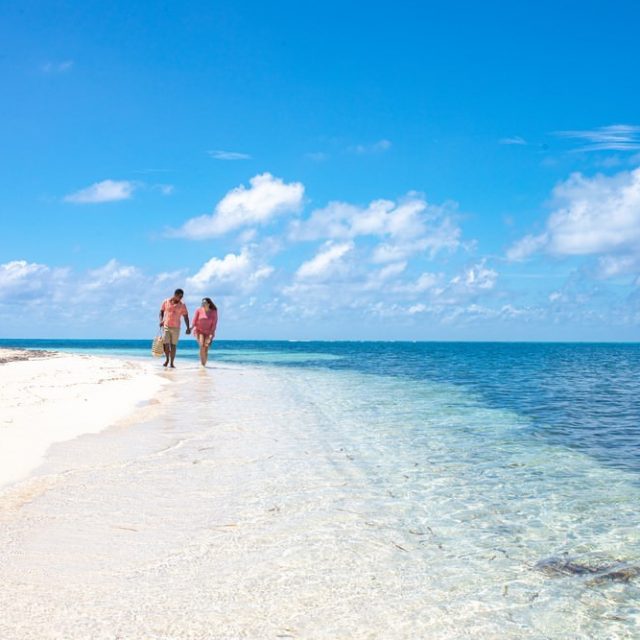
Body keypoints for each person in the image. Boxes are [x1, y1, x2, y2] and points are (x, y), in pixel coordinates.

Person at [159, 288, 190, 368]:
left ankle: (172, 363)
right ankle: (167, 359)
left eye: (182, 297)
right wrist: (161, 320)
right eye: (179, 296)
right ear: (175, 294)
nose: (181, 298)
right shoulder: (166, 301)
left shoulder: (182, 305)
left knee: (173, 345)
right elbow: (161, 311)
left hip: (176, 327)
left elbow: (186, 316)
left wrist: (188, 327)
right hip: (166, 325)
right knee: (165, 344)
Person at [191, 297, 218, 366]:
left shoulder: (214, 312)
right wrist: (190, 328)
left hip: (209, 332)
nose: (203, 304)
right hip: (199, 331)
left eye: (204, 303)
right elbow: (194, 321)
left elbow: (214, 324)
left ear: (209, 304)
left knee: (206, 348)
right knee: (201, 346)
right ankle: (202, 364)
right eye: (202, 303)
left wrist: (211, 334)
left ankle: (204, 364)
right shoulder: (198, 310)